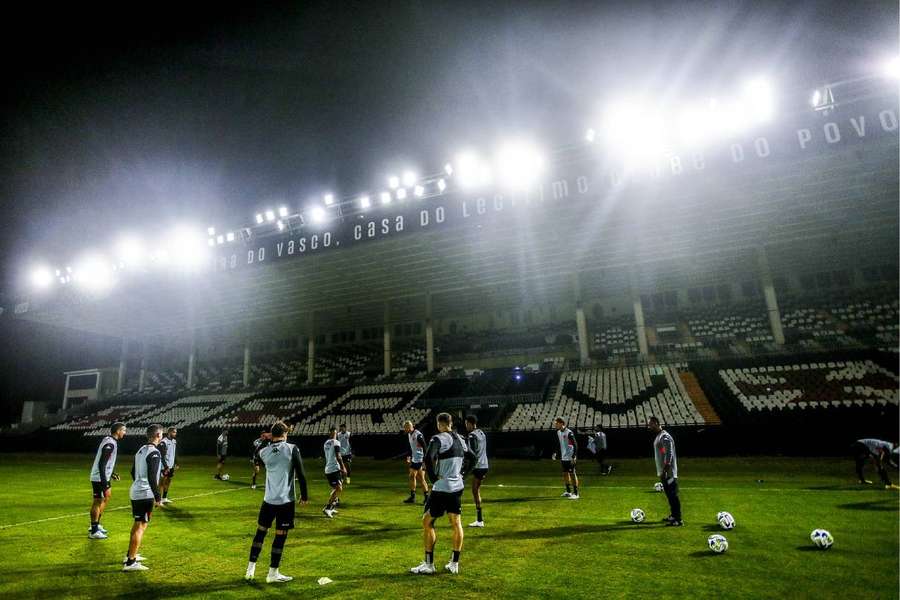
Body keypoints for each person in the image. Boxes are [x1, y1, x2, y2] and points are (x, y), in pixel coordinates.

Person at [410, 412, 474, 575]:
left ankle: (429, 564)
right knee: (456, 523)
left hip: (442, 488)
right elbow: (472, 458)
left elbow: (428, 457)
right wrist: (464, 475)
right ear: (451, 423)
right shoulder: (460, 438)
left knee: (427, 522)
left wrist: (432, 479)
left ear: (440, 424)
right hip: (457, 487)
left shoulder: (438, 438)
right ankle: (454, 564)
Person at [245, 421, 309, 584]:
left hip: (268, 500)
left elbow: (257, 451)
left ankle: (250, 569)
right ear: (285, 434)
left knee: (260, 532)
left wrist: (267, 440)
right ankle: (272, 573)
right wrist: (305, 495)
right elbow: (301, 473)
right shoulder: (292, 448)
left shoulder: (264, 452)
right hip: (285, 501)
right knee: (280, 536)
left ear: (272, 435)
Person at [123, 424, 164, 571]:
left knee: (138, 524)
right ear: (158, 435)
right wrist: (158, 497)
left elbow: (133, 471)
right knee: (141, 526)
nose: (162, 437)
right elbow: (153, 478)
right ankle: (131, 562)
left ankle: (130, 554)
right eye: (162, 434)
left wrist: (138, 483)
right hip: (144, 493)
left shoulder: (141, 450)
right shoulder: (154, 453)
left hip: (136, 490)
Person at [88, 422, 126, 539]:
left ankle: (96, 524)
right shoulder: (110, 443)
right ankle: (93, 530)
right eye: (123, 430)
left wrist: (112, 474)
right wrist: (104, 482)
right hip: (99, 477)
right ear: (118, 431)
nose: (125, 433)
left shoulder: (111, 441)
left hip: (103, 476)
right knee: (98, 501)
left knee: (107, 497)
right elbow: (101, 464)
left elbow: (106, 462)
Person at [648, 416, 683, 526]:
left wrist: (665, 470)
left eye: (651, 424)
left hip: (669, 472)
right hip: (664, 472)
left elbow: (669, 454)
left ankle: (678, 519)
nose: (649, 427)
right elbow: (664, 451)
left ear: (657, 423)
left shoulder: (665, 436)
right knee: (669, 495)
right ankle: (673, 515)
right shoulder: (660, 437)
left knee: (673, 495)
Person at [465, 415, 488, 527]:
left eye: (466, 424)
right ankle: (479, 519)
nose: (466, 426)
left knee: (475, 490)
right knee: (476, 490)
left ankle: (479, 520)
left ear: (470, 423)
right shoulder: (481, 432)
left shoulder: (472, 435)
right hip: (484, 464)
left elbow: (472, 453)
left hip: (478, 466)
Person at [322, 425, 347, 518]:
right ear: (333, 433)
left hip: (331, 469)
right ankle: (327, 508)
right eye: (334, 432)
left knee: (337, 487)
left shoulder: (326, 442)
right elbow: (338, 456)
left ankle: (332, 508)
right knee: (338, 488)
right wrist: (343, 467)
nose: (335, 434)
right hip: (333, 469)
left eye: (335, 433)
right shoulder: (336, 442)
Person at [403, 420, 430, 504]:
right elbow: (411, 447)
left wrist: (424, 461)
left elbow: (425, 448)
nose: (405, 429)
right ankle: (413, 497)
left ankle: (427, 498)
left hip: (420, 460)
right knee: (411, 476)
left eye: (406, 427)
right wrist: (409, 456)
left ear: (411, 426)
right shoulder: (409, 434)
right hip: (414, 460)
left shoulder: (418, 435)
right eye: (405, 427)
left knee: (421, 479)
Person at [553, 417, 579, 499]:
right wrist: (556, 453)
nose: (555, 425)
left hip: (570, 457)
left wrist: (574, 456)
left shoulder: (569, 432)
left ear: (561, 423)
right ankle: (568, 491)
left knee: (572, 474)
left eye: (556, 423)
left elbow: (575, 445)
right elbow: (559, 443)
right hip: (563, 457)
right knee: (565, 474)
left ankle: (576, 493)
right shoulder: (558, 432)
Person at [157, 427, 178, 504]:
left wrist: (176, 462)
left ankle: (164, 498)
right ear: (169, 433)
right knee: (162, 482)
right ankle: (158, 500)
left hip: (171, 465)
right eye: (174, 432)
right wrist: (165, 466)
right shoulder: (163, 442)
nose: (175, 434)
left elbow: (174, 453)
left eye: (175, 432)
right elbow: (161, 456)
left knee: (168, 481)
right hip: (164, 466)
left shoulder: (174, 441)